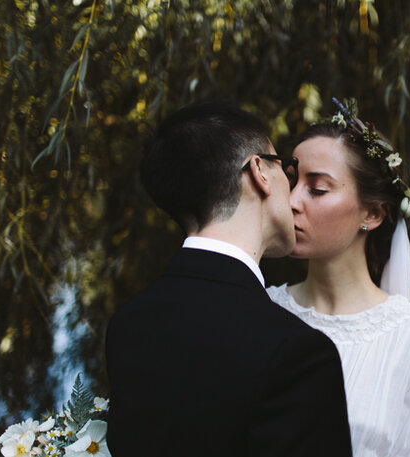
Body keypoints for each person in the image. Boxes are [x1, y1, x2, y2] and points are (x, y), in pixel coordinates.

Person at [105, 101, 353, 457]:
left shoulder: (128, 326)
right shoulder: (297, 353)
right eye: (286, 168)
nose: (294, 195)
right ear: (260, 172)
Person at [267, 99, 410, 457]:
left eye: (317, 188)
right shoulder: (256, 313)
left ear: (372, 214)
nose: (291, 201)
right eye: (290, 182)